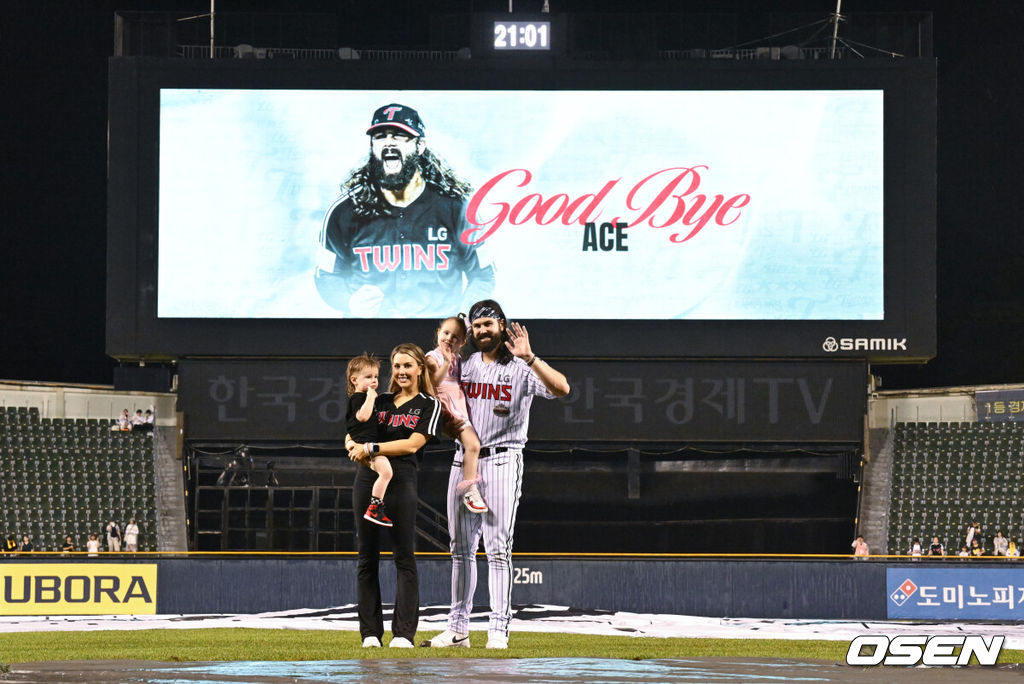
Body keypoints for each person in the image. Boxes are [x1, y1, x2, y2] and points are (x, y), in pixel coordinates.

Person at [425, 300, 570, 651]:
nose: (482, 331)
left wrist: (531, 357)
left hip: (503, 460)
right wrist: (443, 355)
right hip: (464, 459)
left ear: (502, 325)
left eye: (488, 324)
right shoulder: (467, 364)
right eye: (477, 326)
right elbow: (434, 388)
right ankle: (458, 628)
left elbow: (562, 388)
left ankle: (498, 630)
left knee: (498, 549)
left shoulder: (521, 367)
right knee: (459, 549)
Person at [315, 103, 495, 317]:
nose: (388, 143)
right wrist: (349, 302)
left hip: (438, 342)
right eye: (380, 136)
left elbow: (484, 276)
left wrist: (462, 319)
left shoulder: (458, 208)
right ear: (372, 146)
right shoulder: (344, 211)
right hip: (369, 339)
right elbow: (325, 276)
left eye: (400, 136)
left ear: (420, 146)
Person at [345, 343, 441, 649]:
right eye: (396, 366)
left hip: (402, 482)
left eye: (407, 366)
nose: (401, 371)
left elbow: (413, 444)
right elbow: (352, 430)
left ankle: (403, 634)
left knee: (404, 557)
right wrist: (351, 445)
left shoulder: (429, 404)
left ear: (420, 369)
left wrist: (371, 449)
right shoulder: (379, 399)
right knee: (367, 558)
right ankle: (370, 633)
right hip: (367, 479)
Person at [425, 316, 486, 513]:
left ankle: (470, 484)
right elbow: (433, 382)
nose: (449, 339)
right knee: (473, 444)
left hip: (461, 404)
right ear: (438, 333)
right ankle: (469, 488)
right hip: (444, 405)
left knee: (473, 445)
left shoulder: (461, 360)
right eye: (446, 333)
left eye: (456, 337)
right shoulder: (431, 357)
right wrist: (446, 363)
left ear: (463, 342)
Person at [346, 354, 393, 527]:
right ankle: (375, 507)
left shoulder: (365, 397)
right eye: (368, 377)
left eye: (375, 377)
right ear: (354, 380)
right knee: (386, 473)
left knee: (383, 472)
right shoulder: (359, 398)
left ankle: (375, 506)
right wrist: (371, 397)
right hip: (365, 445)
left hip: (365, 444)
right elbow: (363, 417)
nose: (373, 381)